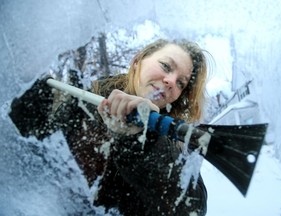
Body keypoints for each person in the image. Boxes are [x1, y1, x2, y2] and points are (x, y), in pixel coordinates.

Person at [9, 38, 208, 216]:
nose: (171, 81)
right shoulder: (82, 100)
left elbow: (192, 210)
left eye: (181, 83)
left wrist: (142, 142)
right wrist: (27, 96)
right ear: (137, 61)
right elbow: (25, 147)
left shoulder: (174, 142)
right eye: (165, 66)